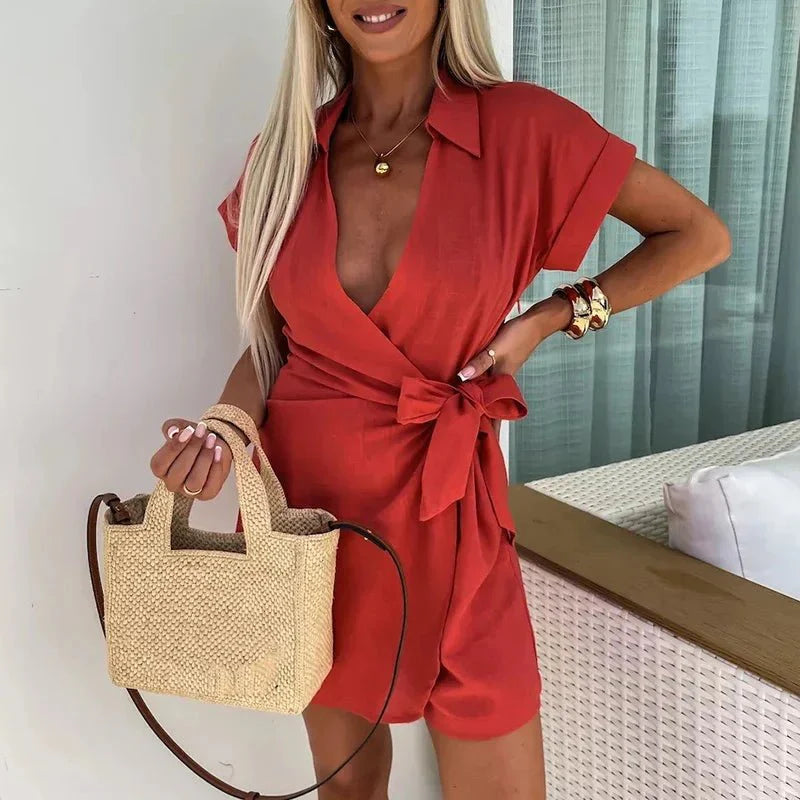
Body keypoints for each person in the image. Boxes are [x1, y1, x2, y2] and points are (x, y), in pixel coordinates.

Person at [149, 1, 731, 797]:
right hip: (314, 522)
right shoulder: (284, 156)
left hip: (451, 508)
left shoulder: (522, 129)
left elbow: (698, 236)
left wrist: (550, 317)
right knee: (347, 789)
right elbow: (275, 347)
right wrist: (222, 429)